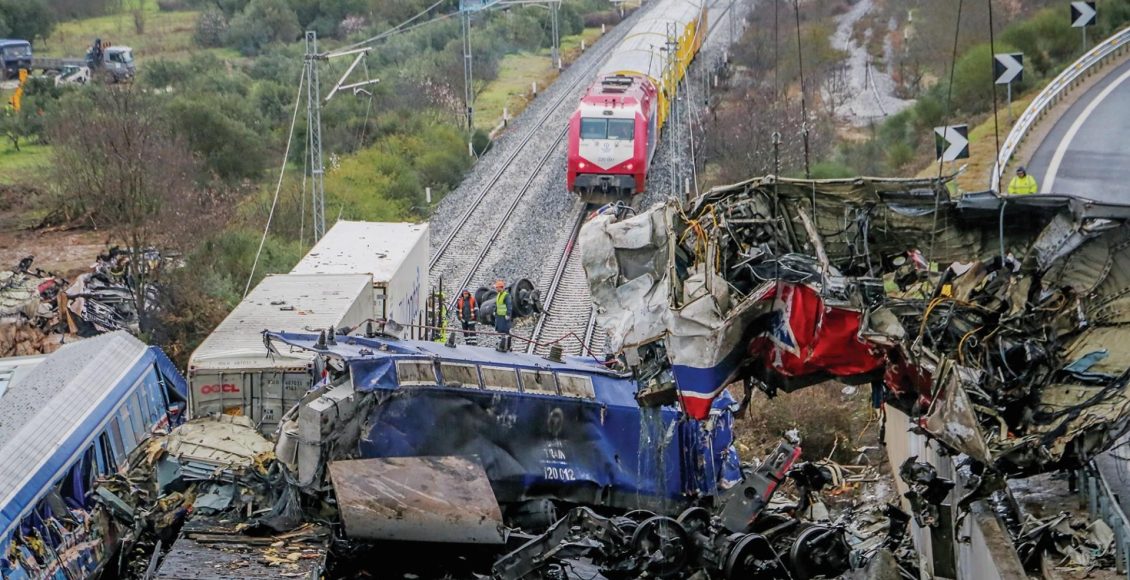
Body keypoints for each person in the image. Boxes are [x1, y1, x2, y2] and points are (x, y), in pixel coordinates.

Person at [494, 279, 512, 352]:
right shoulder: (499, 295)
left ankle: (505, 347)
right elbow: (497, 304)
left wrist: (508, 314)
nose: (496, 289)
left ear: (501, 287)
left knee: (505, 331)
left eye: (497, 287)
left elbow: (509, 306)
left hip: (504, 317)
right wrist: (495, 311)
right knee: (500, 331)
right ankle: (502, 345)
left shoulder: (506, 295)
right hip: (499, 316)